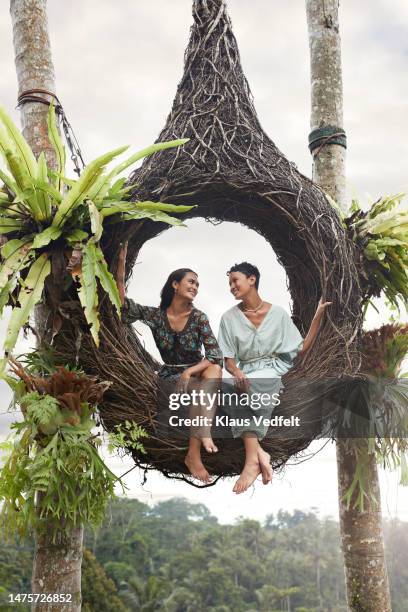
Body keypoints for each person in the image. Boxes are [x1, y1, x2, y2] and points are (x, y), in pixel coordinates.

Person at [218, 262, 331, 494]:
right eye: (229, 283)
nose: (231, 287)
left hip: (271, 369)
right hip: (245, 369)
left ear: (252, 279)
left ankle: (252, 462)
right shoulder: (228, 318)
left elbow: (301, 347)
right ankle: (258, 453)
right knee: (225, 388)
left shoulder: (277, 313)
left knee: (256, 385)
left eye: (234, 281)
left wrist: (318, 314)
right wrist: (237, 372)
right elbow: (227, 358)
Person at [116, 243, 223, 484]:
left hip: (198, 373)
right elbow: (121, 303)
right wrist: (121, 265)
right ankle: (196, 446)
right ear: (175, 284)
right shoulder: (156, 316)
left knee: (214, 369)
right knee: (202, 386)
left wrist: (189, 373)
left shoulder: (198, 317)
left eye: (197, 284)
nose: (195, 287)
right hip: (168, 375)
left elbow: (215, 355)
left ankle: (195, 451)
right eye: (191, 282)